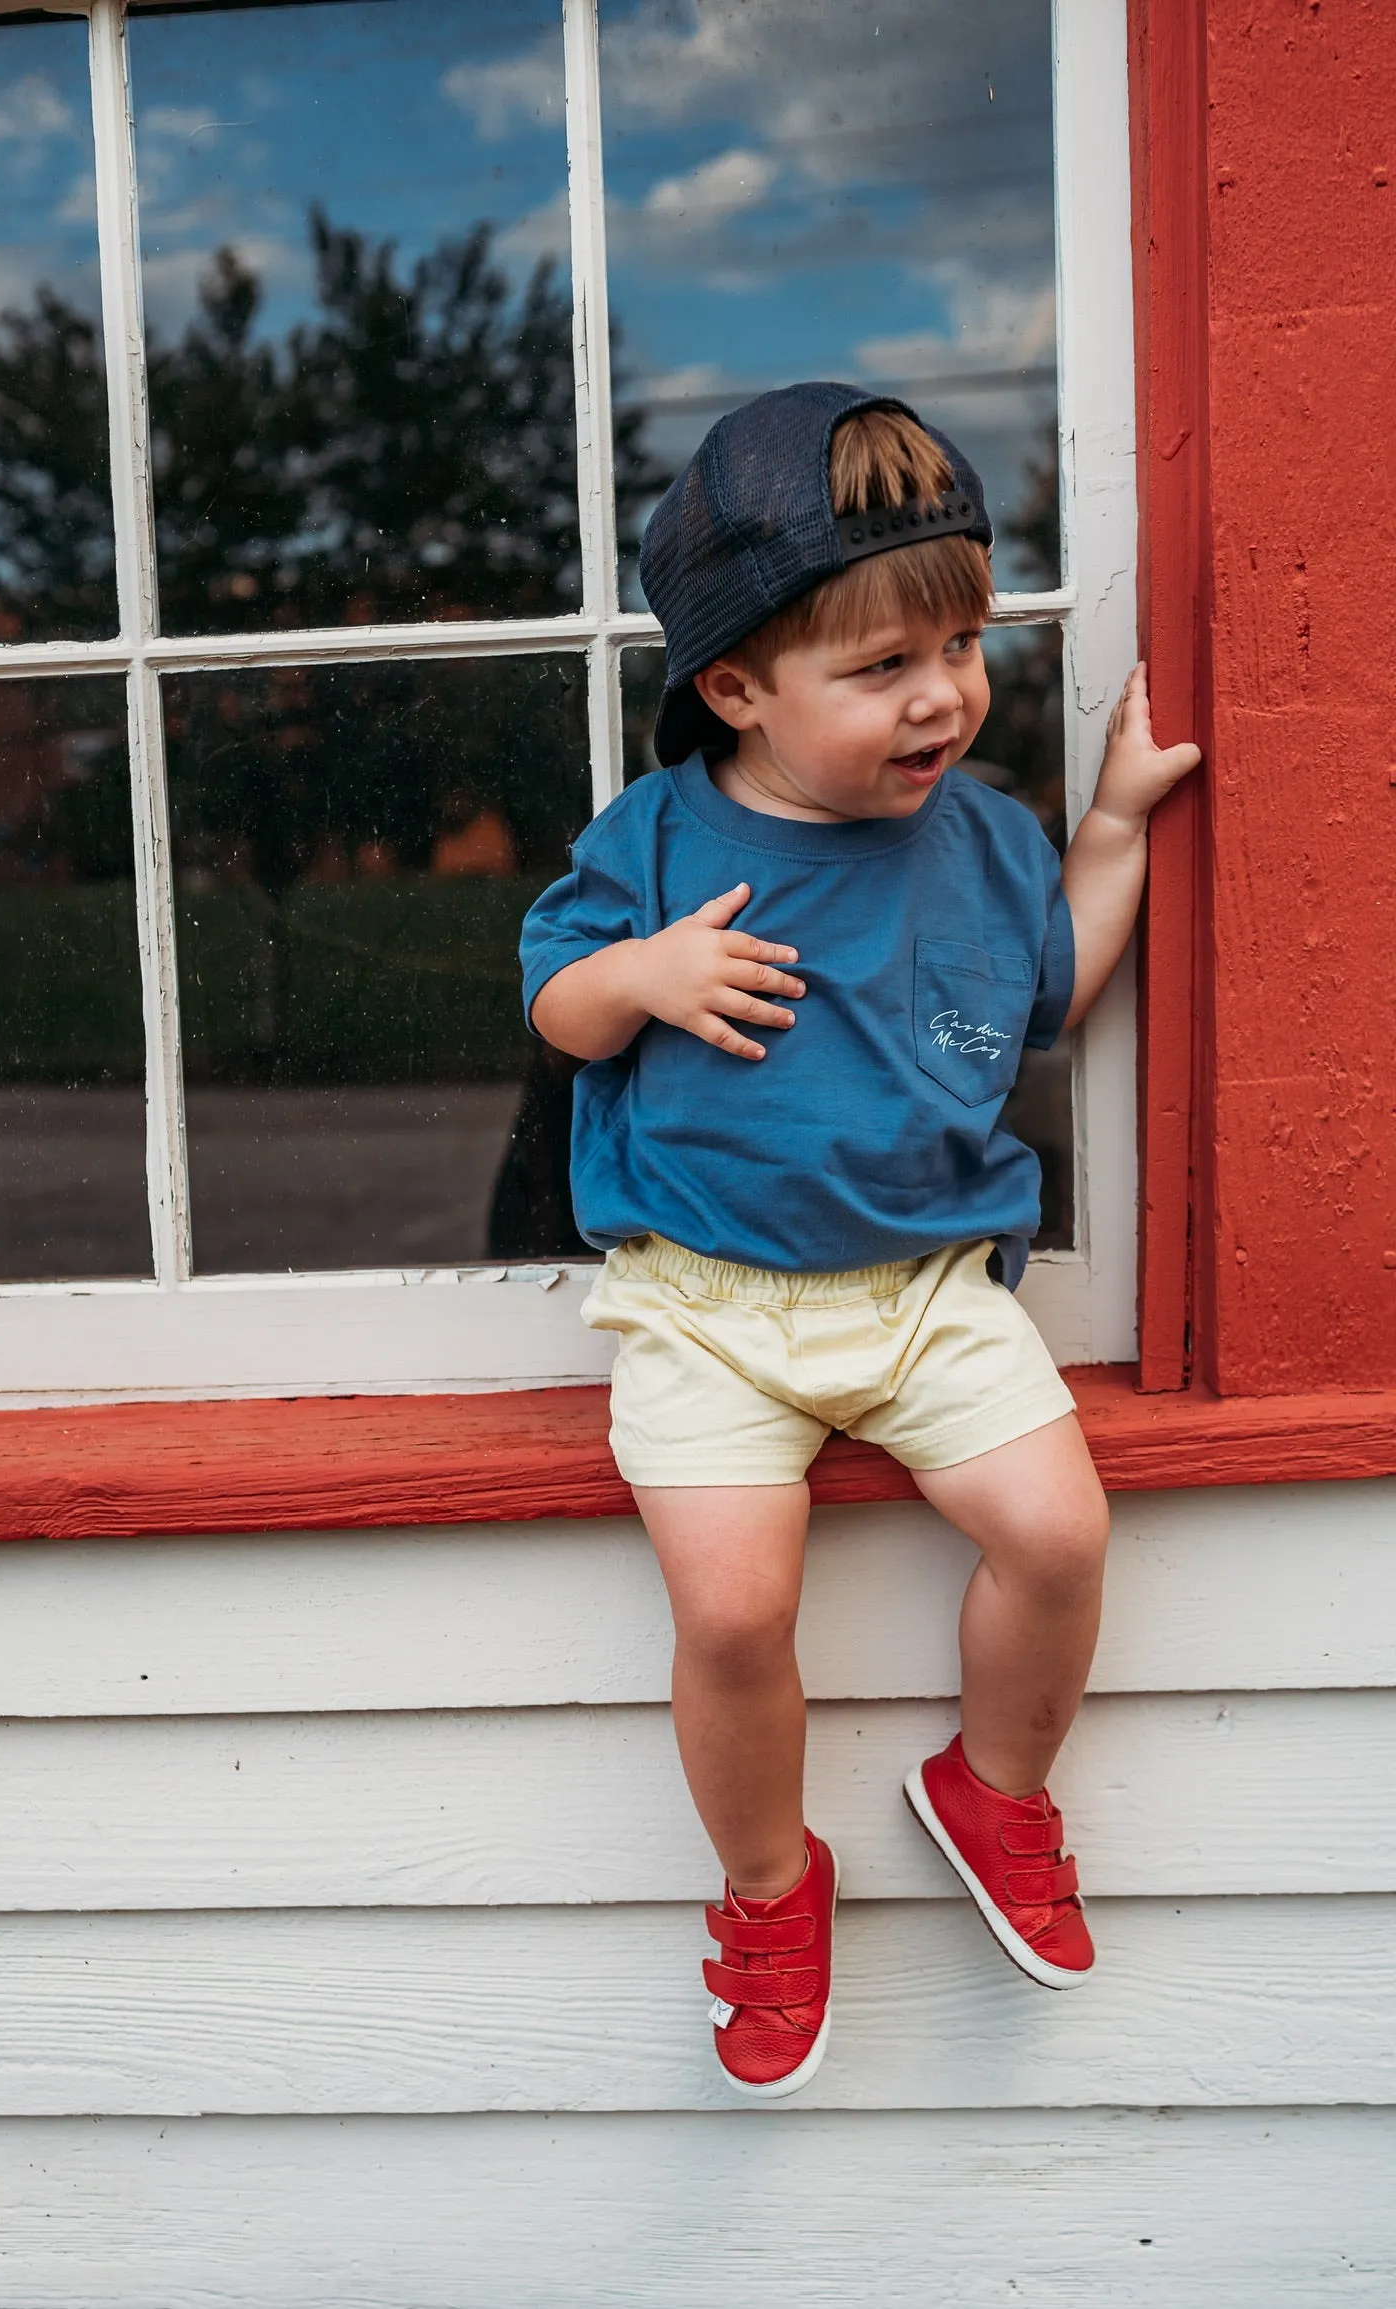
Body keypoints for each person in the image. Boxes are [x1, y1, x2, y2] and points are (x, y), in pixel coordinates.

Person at [519, 384, 1199, 2098]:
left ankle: (997, 1786)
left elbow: (1053, 995)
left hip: (924, 1294)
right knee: (736, 1616)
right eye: (885, 669)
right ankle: (770, 1883)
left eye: (961, 647)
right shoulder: (661, 837)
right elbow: (559, 1007)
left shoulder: (975, 841)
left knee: (1058, 1532)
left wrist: (1108, 831)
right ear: (736, 685)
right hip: (709, 1308)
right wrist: (644, 974)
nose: (946, 696)